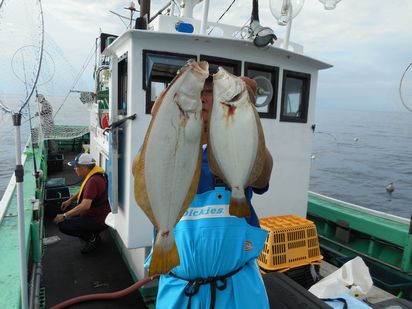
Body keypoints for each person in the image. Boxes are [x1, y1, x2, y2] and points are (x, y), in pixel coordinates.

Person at [135, 76, 273, 308]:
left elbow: (262, 177)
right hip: (181, 290)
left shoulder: (238, 148)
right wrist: (163, 112)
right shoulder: (166, 148)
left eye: (210, 92)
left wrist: (247, 111)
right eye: (197, 92)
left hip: (238, 290)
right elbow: (138, 170)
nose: (203, 98)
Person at [54, 153, 111, 254]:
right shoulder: (94, 174)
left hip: (98, 219)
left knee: (63, 225)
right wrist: (70, 200)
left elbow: (85, 205)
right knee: (69, 210)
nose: (75, 169)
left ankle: (92, 239)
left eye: (77, 167)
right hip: (100, 213)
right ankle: (92, 233)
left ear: (84, 167)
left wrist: (64, 216)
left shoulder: (93, 181)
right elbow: (84, 190)